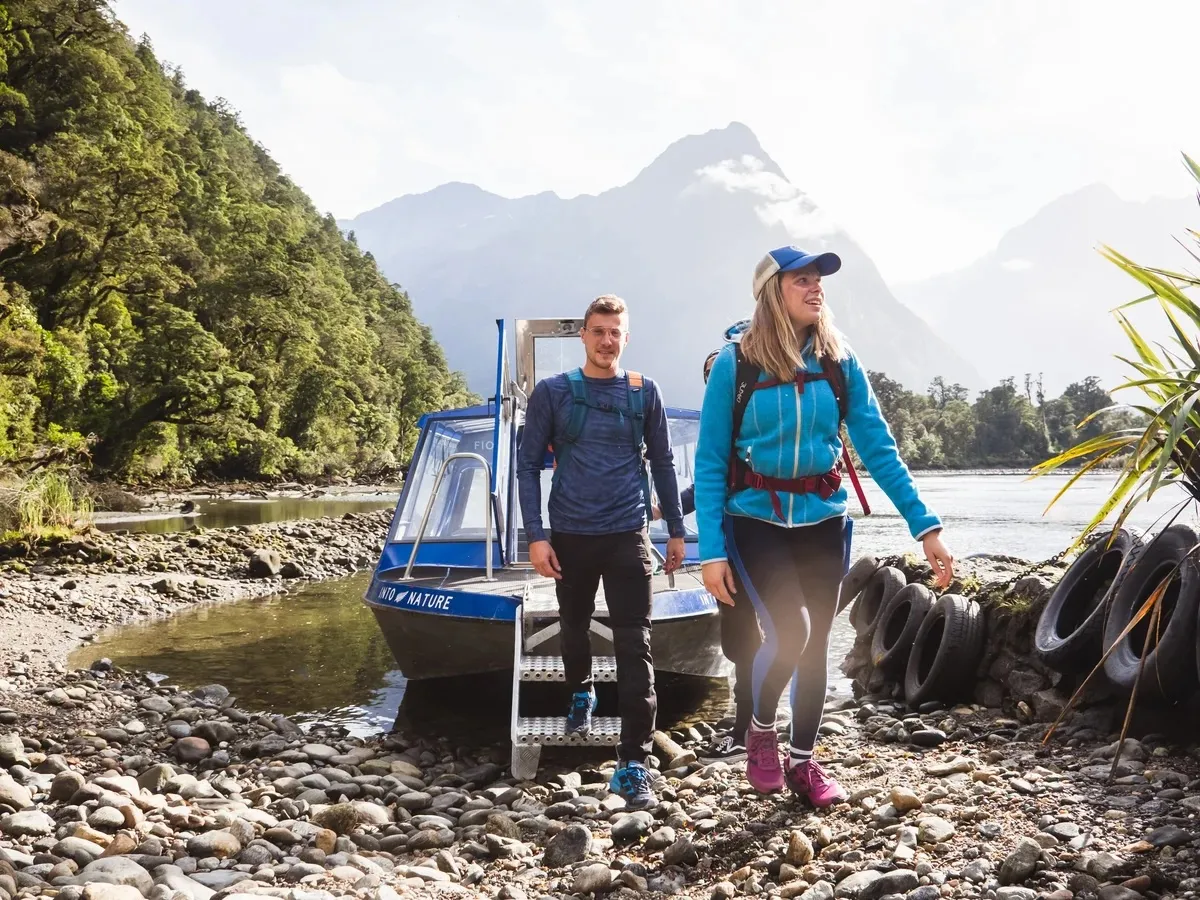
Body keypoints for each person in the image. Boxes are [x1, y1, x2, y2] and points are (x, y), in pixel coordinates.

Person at [694, 246, 954, 806]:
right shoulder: (735, 364)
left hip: (824, 522)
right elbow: (710, 462)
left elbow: (878, 447)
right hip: (754, 520)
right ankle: (761, 729)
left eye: (819, 279)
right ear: (772, 292)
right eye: (802, 280)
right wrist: (711, 553)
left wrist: (925, 526)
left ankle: (804, 763)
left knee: (812, 649)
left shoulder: (839, 359)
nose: (816, 288)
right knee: (792, 631)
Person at [517, 294, 687, 810]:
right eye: (599, 331)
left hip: (628, 535)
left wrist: (675, 529)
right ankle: (581, 688)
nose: (607, 341)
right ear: (584, 336)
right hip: (570, 535)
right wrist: (536, 535)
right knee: (573, 623)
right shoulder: (552, 393)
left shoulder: (644, 392)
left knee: (636, 644)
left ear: (626, 338)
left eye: (616, 333)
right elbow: (527, 466)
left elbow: (663, 462)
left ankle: (633, 762)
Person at [653, 348, 761, 765]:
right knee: (742, 639)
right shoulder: (729, 426)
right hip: (734, 548)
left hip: (749, 545)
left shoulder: (749, 424)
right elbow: (705, 487)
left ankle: (748, 728)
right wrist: (665, 511)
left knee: (746, 639)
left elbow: (714, 484)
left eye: (723, 373)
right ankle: (756, 721)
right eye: (711, 376)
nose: (718, 381)